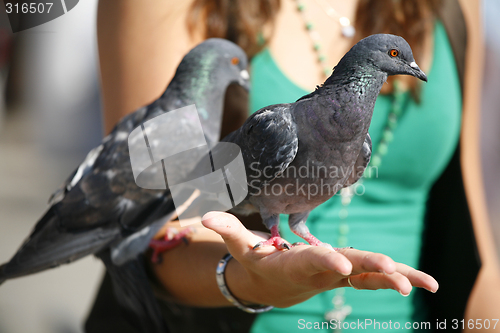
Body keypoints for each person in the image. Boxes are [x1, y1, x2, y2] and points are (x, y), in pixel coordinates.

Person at [88, 0, 500, 332]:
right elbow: (154, 217)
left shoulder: (456, 8)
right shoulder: (281, 125)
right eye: (397, 56)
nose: (411, 68)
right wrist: (251, 277)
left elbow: (471, 240)